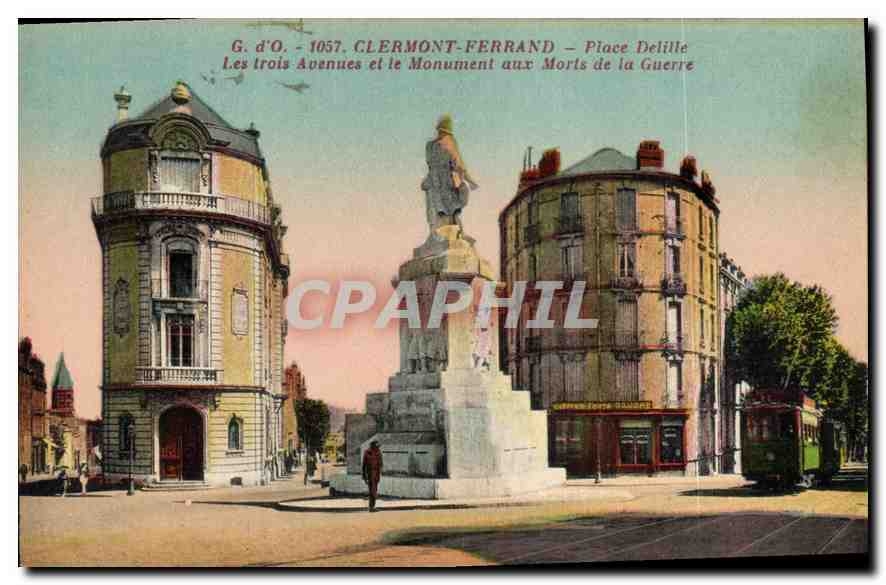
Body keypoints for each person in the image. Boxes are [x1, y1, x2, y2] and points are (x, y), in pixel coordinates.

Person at [361, 440, 383, 512]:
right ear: (372, 446)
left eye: (378, 446)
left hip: (376, 475)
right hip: (369, 475)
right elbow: (364, 465)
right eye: (376, 446)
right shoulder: (367, 452)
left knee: (374, 490)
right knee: (371, 491)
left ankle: (372, 506)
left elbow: (380, 464)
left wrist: (379, 472)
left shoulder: (378, 452)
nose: (377, 447)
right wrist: (364, 476)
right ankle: (371, 507)